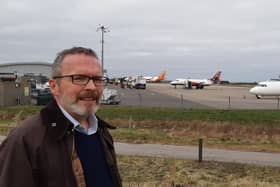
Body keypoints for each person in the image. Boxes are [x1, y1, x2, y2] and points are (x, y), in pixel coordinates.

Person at [0, 47, 122, 187]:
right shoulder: (25, 140)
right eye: (79, 78)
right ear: (54, 86)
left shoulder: (101, 131)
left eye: (97, 79)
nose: (92, 87)